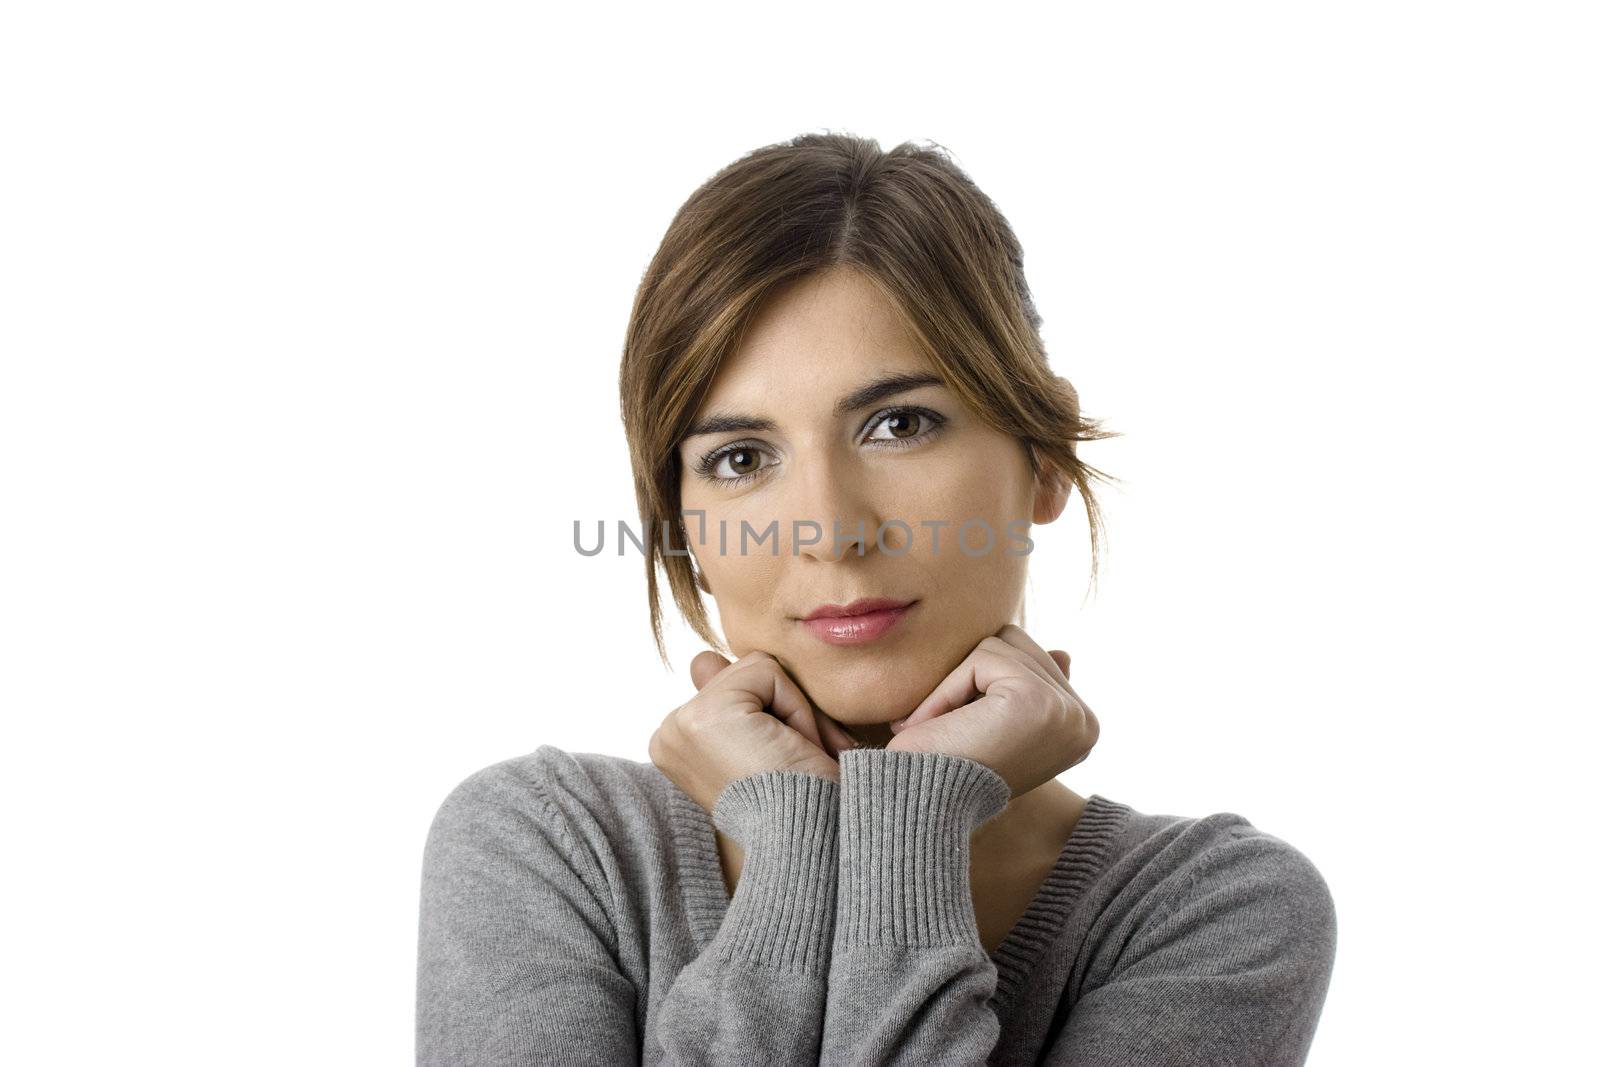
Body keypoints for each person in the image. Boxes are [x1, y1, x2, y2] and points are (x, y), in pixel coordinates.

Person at [415, 132, 1337, 1065]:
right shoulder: (549, 847)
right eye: (741, 458)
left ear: (1045, 454)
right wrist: (794, 841)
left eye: (899, 424)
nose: (829, 530)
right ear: (684, 530)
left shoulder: (1217, 912)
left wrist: (914, 818)